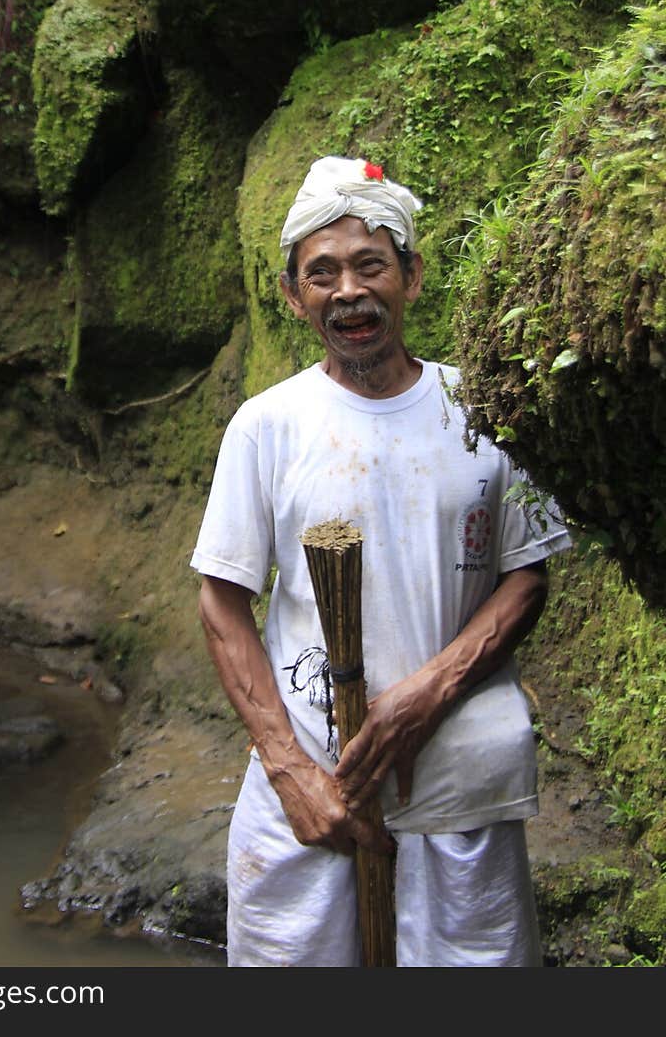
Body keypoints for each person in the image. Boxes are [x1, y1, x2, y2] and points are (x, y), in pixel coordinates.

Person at [191, 156, 571, 967]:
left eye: (371, 265)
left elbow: (527, 574)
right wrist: (289, 768)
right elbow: (222, 604)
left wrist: (429, 692)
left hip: (460, 780)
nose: (348, 292)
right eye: (321, 274)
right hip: (314, 797)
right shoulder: (267, 427)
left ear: (412, 277)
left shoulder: (481, 410)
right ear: (295, 298)